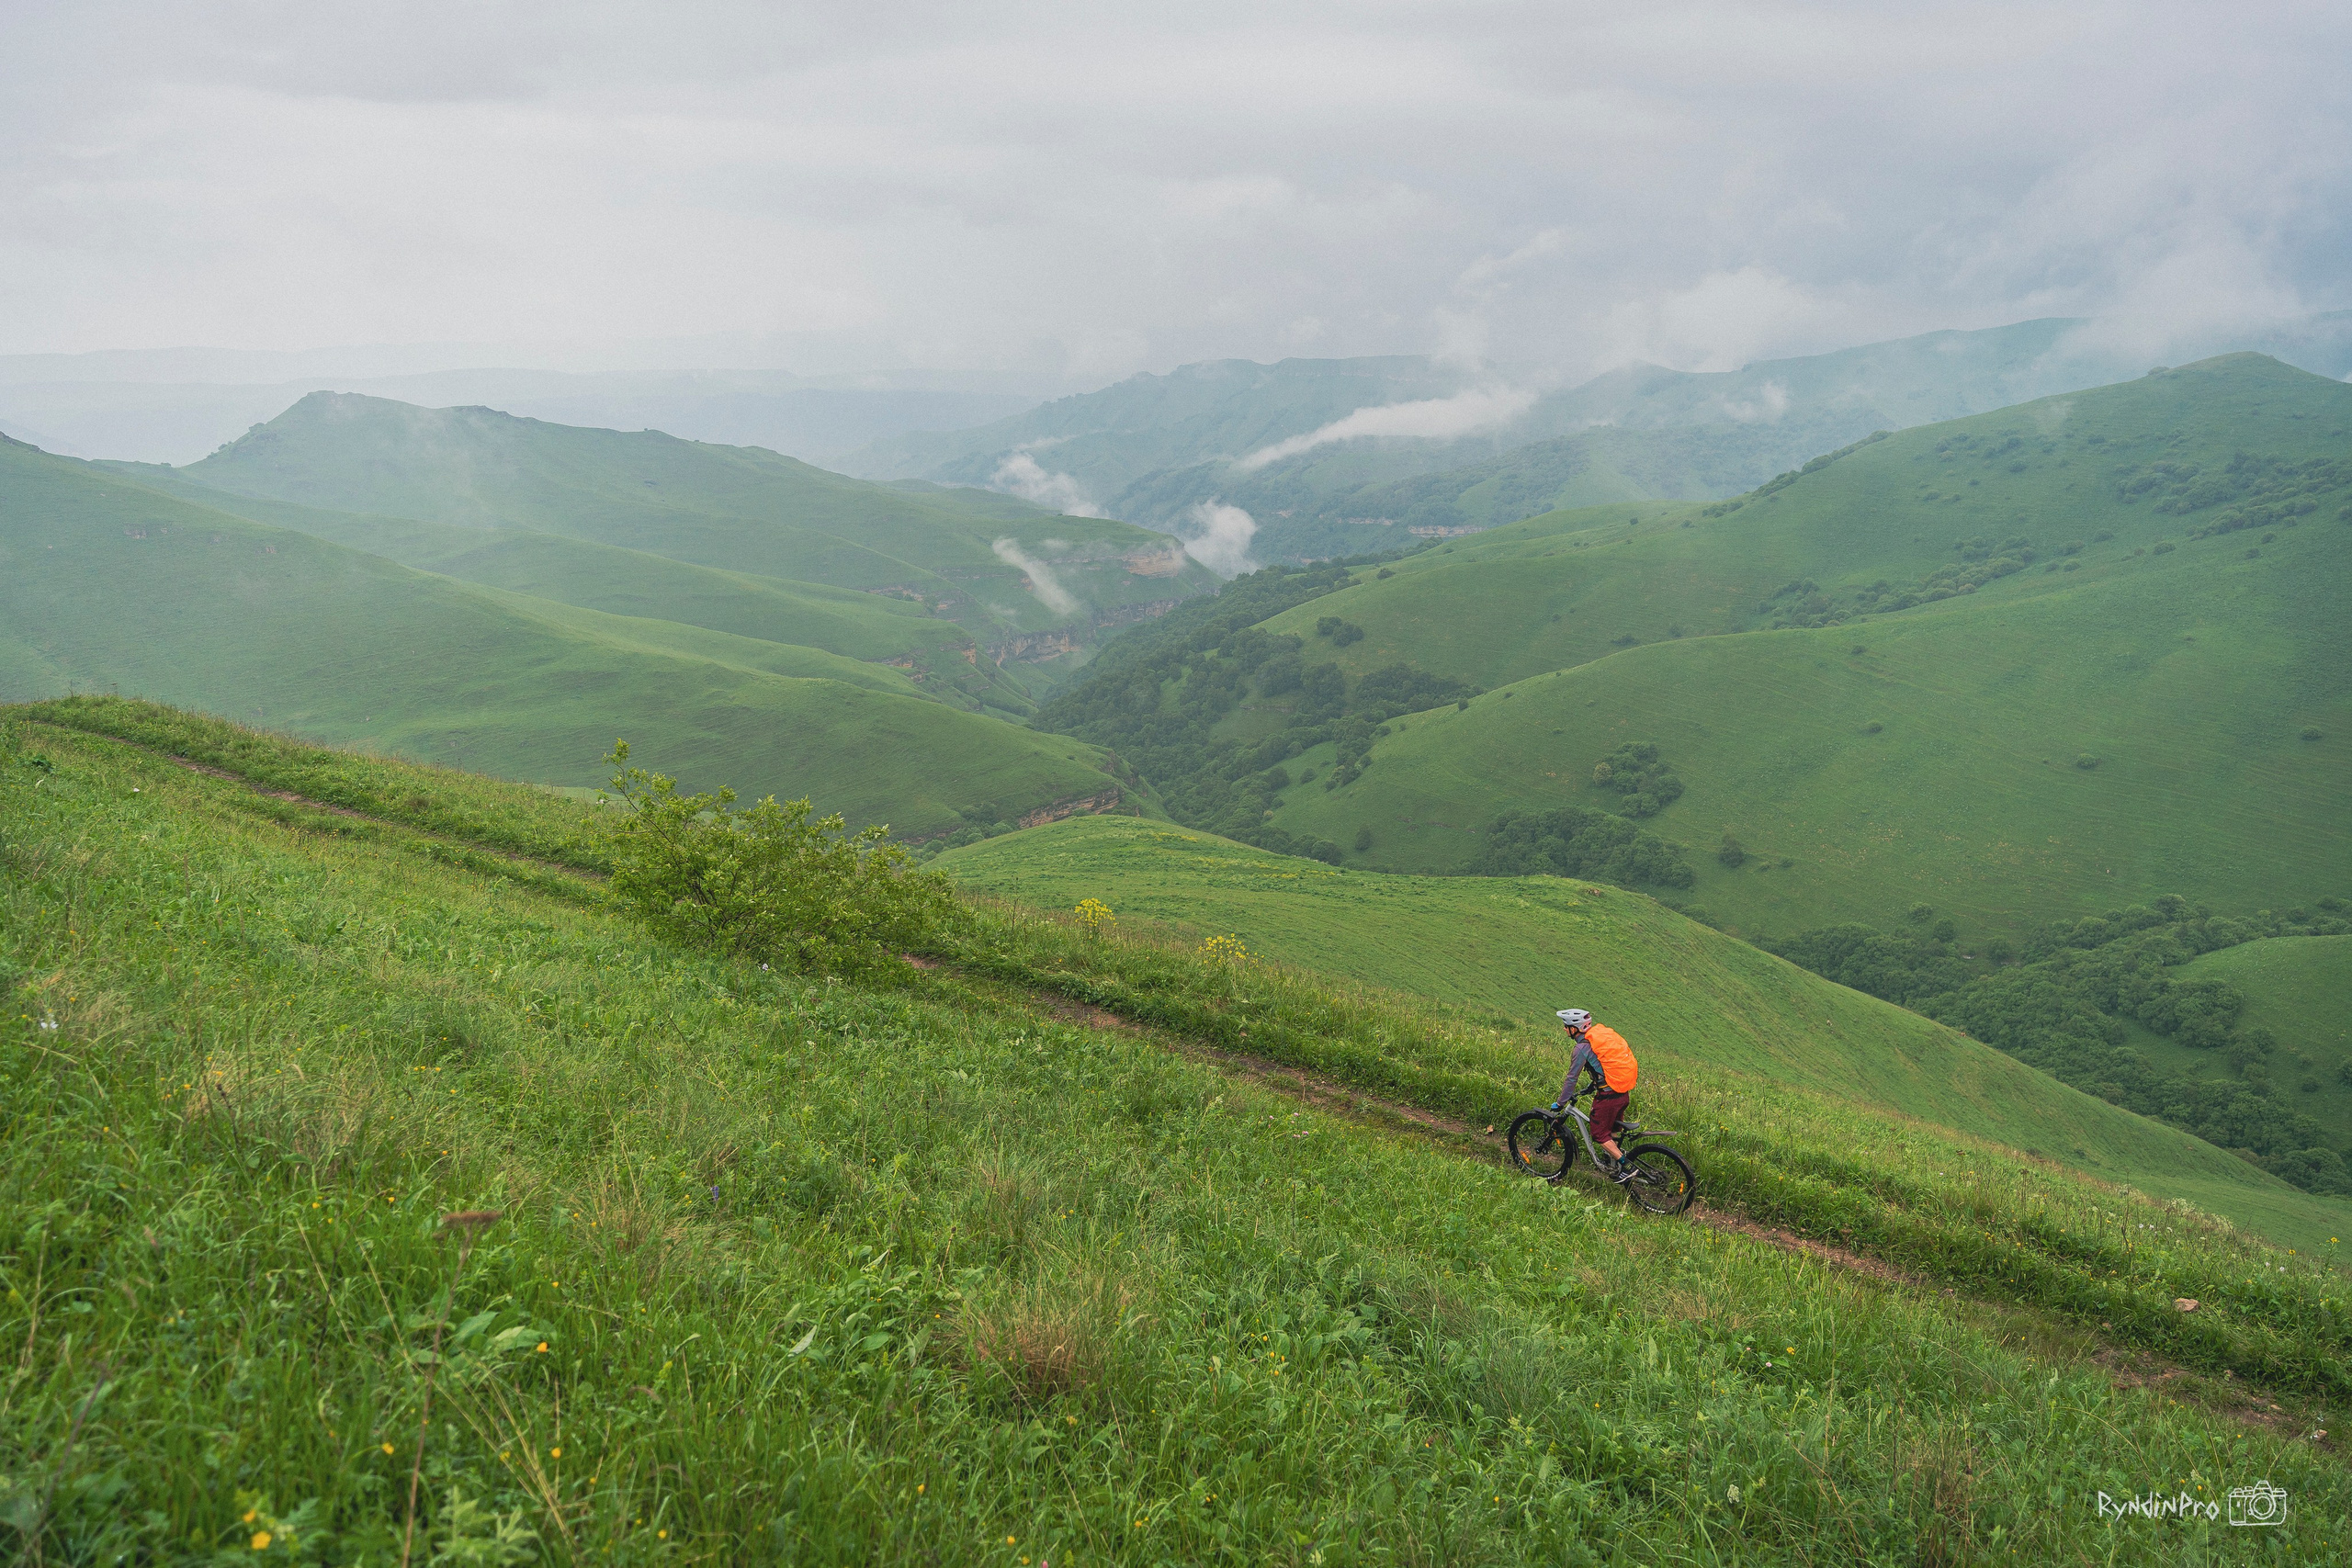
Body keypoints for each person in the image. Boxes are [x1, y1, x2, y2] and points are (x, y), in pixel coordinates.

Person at [1549, 1008, 1637, 1175]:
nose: (1564, 1029)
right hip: (1622, 1093)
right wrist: (1592, 1087)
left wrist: (1561, 1103)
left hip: (1608, 1098)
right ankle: (1613, 1164)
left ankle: (1628, 1168)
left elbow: (1571, 1079)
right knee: (1611, 1130)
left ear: (1574, 1029)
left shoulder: (1581, 1048)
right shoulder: (1597, 1041)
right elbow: (1602, 1068)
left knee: (1599, 1135)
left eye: (1566, 1026)